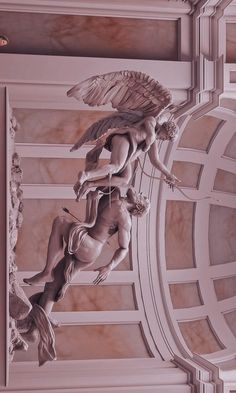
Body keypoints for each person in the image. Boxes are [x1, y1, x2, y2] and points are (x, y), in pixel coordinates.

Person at [23, 187, 150, 315]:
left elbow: (124, 248)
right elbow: (111, 177)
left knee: (60, 222)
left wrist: (109, 267)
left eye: (143, 196)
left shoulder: (124, 215)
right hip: (87, 244)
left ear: (139, 206)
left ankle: (47, 271)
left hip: (91, 245)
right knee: (53, 285)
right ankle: (38, 326)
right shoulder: (115, 194)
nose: (140, 192)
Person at [73, 116, 180, 200]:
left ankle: (90, 184)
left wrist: (168, 175)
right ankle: (86, 175)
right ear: (166, 129)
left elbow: (155, 160)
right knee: (116, 167)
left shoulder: (154, 142)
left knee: (125, 179)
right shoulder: (152, 121)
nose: (164, 139)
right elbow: (150, 135)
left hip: (128, 152)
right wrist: (149, 143)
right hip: (125, 138)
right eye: (166, 137)